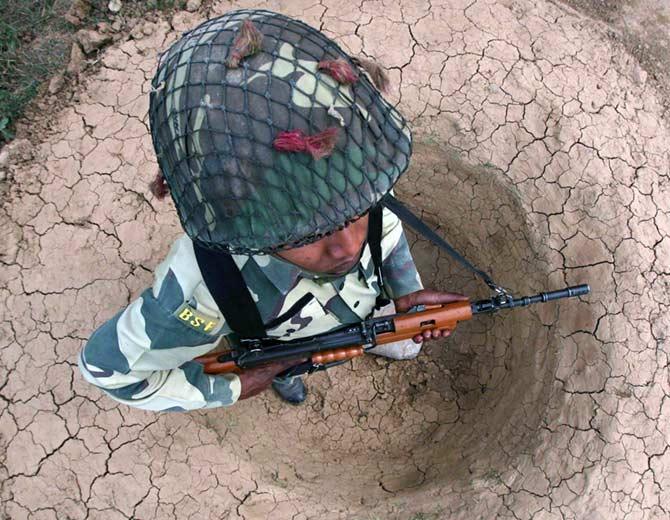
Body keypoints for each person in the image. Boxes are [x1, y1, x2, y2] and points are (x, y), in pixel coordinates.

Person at [78, 9, 466, 411]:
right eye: (306, 235)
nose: (346, 247)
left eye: (356, 211)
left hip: (357, 312)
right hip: (278, 342)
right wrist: (240, 385)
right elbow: (107, 370)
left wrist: (407, 292)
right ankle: (288, 378)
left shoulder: (353, 179)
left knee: (403, 348)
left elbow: (386, 235)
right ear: (236, 214)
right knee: (285, 368)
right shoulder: (205, 288)